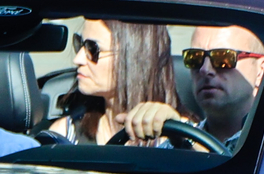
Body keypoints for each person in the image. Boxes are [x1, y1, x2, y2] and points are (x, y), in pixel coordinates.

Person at [125, 24, 264, 149]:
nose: (205, 69)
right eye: (195, 58)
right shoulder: (173, 147)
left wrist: (185, 142)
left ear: (261, 69)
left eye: (223, 58)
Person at [49, 19, 181, 144]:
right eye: (79, 43)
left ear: (135, 57)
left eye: (92, 49)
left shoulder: (179, 136)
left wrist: (178, 136)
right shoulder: (65, 134)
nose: (78, 59)